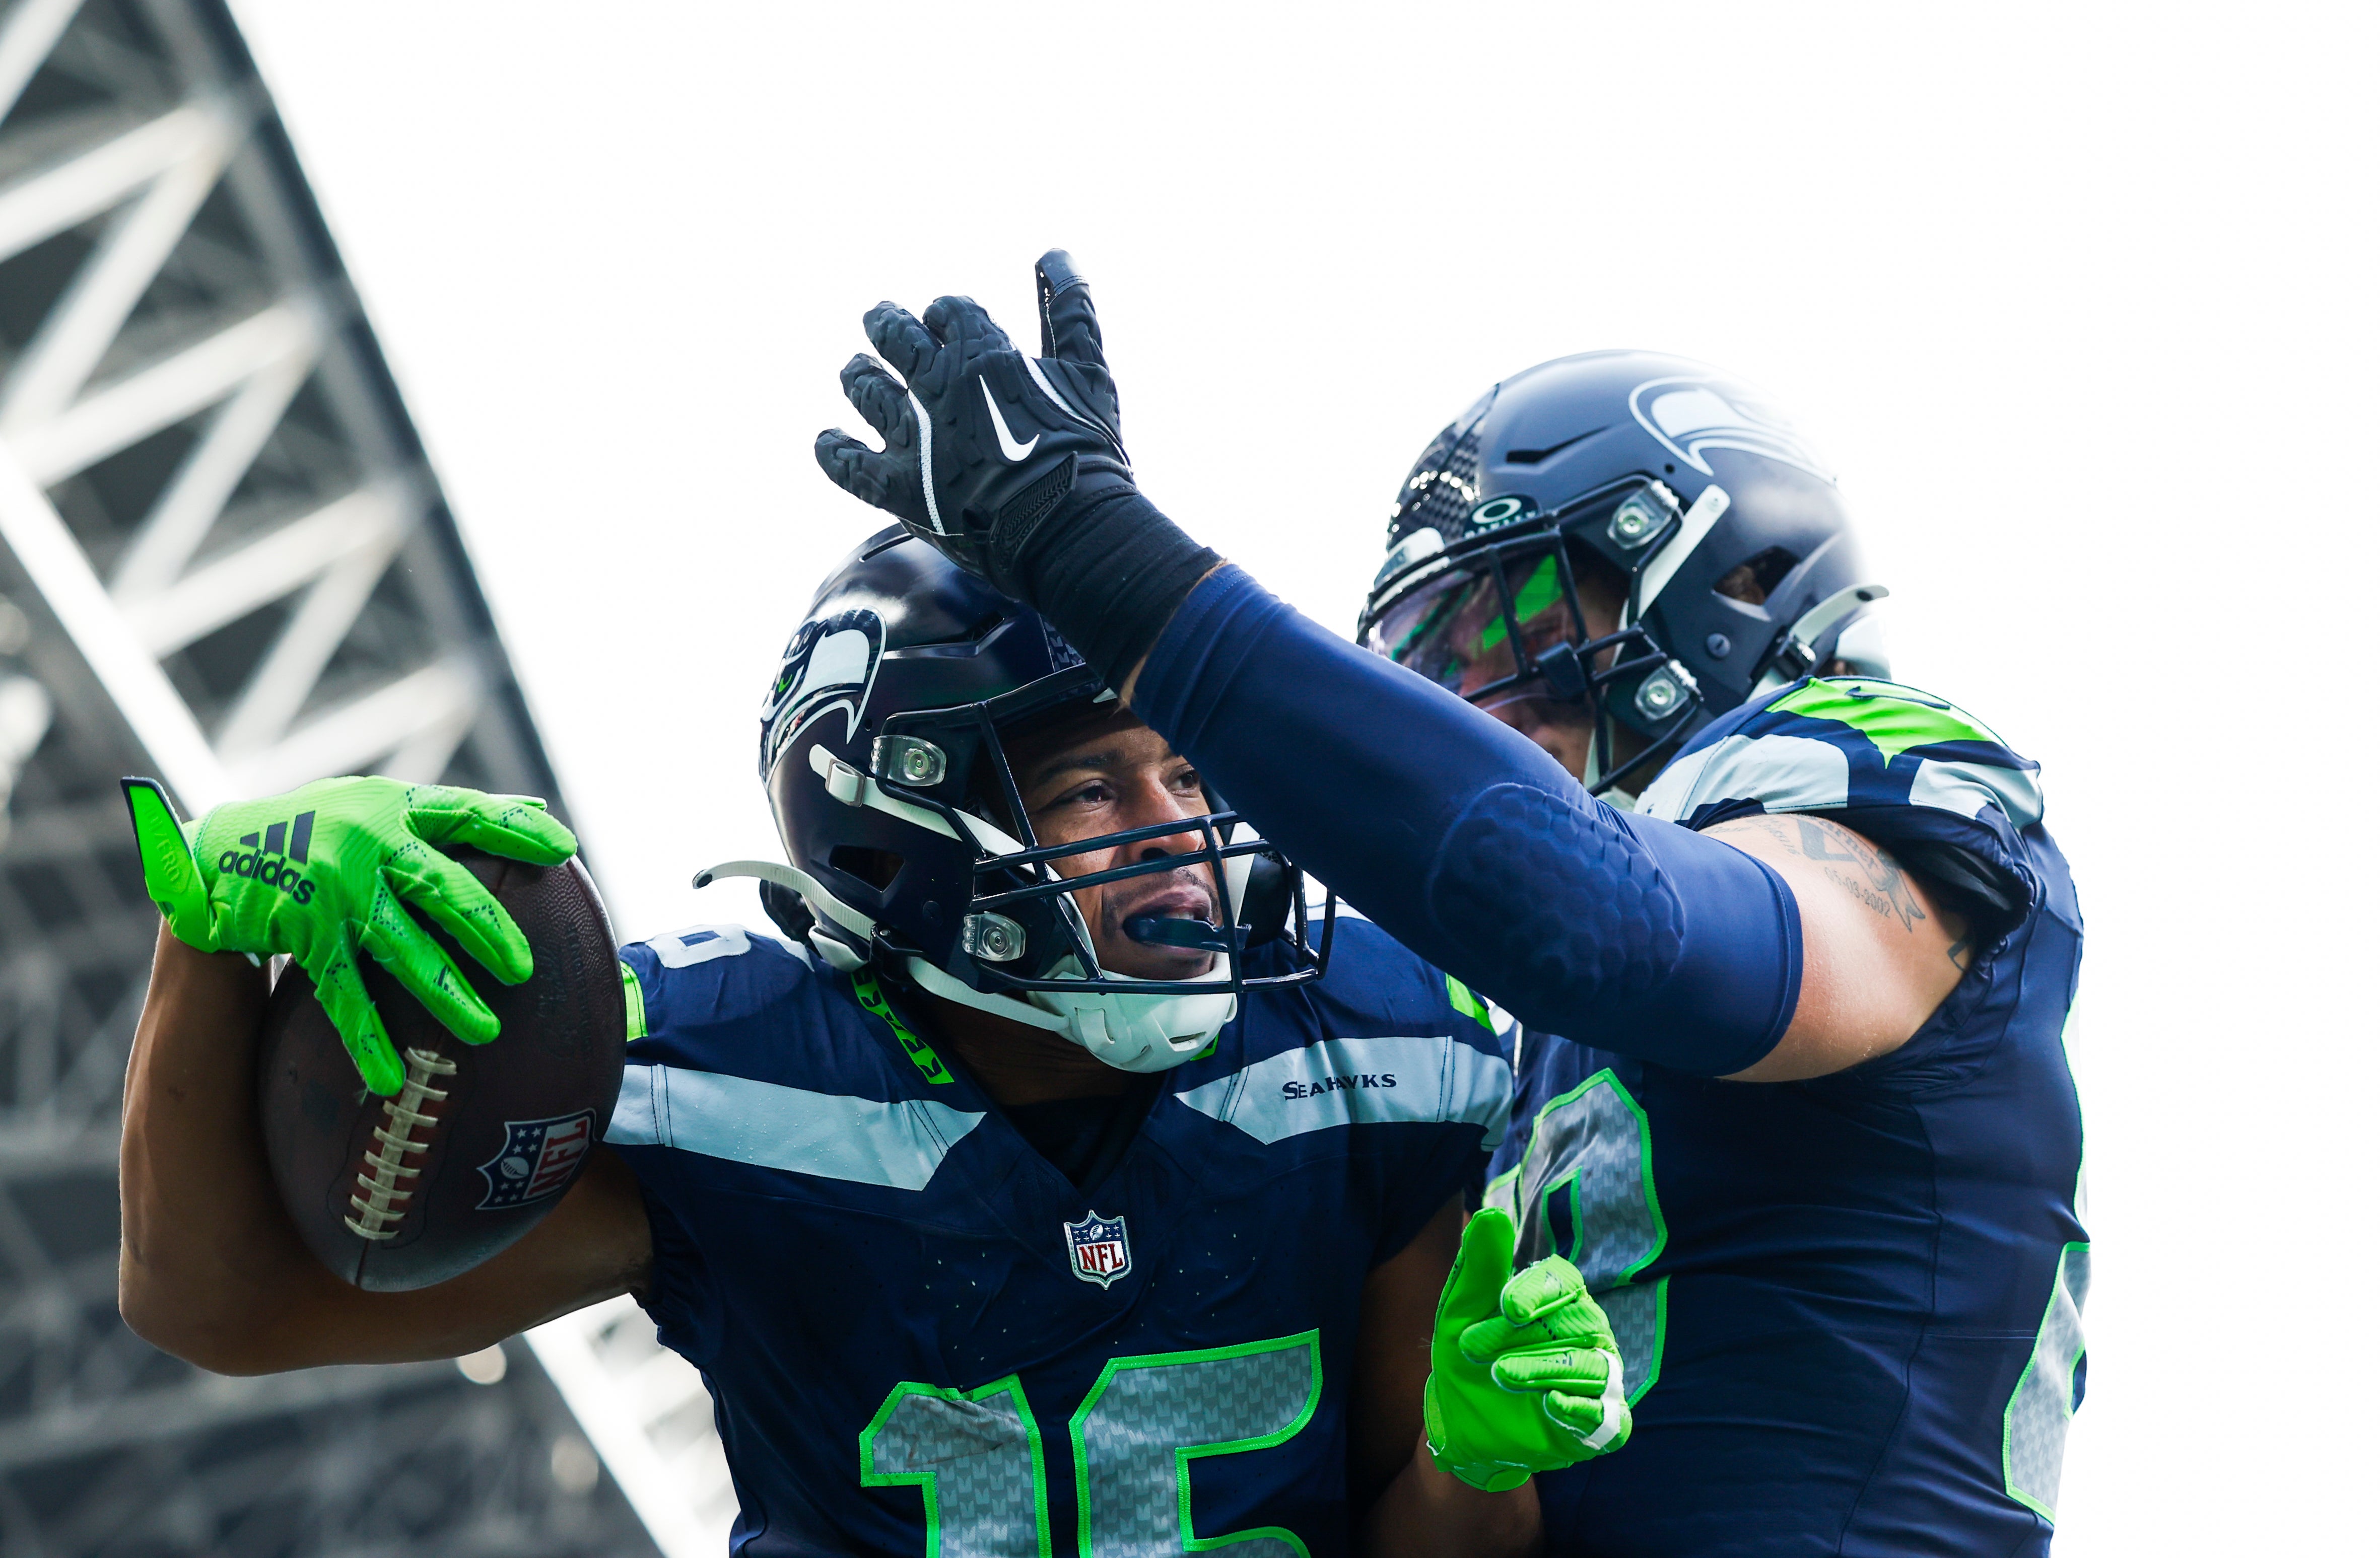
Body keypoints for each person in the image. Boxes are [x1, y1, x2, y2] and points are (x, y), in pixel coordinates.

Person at [813, 254, 2089, 1554]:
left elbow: (1621, 928)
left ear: (1739, 581)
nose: (1474, 707)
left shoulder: (1873, 774)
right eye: (1434, 668)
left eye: (1514, 626)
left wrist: (1099, 553)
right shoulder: (1522, 1043)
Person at [115, 530, 1637, 1558]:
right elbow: (219, 1306)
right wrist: (210, 939)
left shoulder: (1373, 1046)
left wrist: (1480, 1466)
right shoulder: (731, 1079)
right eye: (1091, 790)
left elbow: (1430, 1540)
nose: (1177, 835)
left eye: (1186, 775)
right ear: (894, 832)